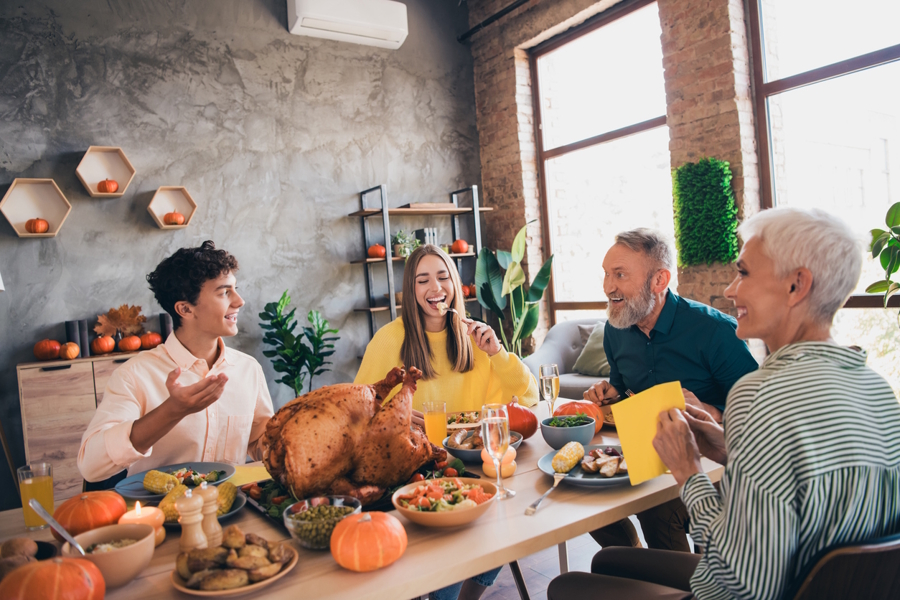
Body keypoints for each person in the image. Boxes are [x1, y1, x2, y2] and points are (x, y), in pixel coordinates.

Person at [548, 207, 900, 600]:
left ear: (796, 286)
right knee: (609, 560)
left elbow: (738, 576)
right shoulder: (878, 389)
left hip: (754, 591)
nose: (731, 289)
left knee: (565, 585)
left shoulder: (761, 394)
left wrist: (688, 470)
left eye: (745, 272)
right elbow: (801, 485)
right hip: (823, 582)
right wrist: (726, 447)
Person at [355, 244, 539, 600]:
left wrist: (497, 352)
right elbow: (361, 411)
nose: (434, 288)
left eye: (442, 277)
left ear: (454, 284)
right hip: (415, 468)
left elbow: (529, 396)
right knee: (459, 528)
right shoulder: (390, 339)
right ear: (411, 291)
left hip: (470, 464)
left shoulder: (473, 338)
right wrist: (401, 418)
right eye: (422, 280)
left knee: (508, 511)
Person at [583, 228, 759, 552]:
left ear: (659, 281)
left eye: (620, 275)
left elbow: (760, 414)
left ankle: (690, 581)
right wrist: (610, 392)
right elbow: (623, 388)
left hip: (709, 464)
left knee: (658, 511)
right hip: (643, 457)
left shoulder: (717, 331)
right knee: (586, 491)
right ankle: (643, 563)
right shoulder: (615, 330)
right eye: (607, 275)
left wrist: (711, 411)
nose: (609, 287)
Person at [78, 241, 275, 482]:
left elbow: (260, 444)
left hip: (234, 509)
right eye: (224, 292)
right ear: (185, 309)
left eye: (235, 289)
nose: (239, 301)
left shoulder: (248, 369)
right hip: (159, 514)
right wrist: (172, 411)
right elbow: (90, 465)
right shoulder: (135, 374)